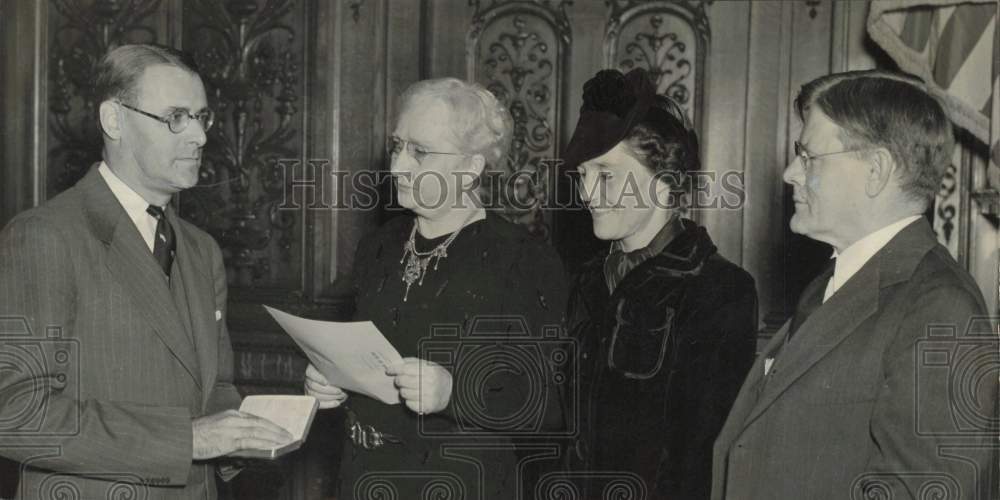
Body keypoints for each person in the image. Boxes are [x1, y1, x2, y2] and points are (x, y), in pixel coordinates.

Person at [0, 44, 293, 500]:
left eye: (202, 117)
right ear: (114, 120)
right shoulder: (45, 236)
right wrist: (188, 440)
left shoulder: (201, 250)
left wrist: (249, 435)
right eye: (176, 117)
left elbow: (212, 388)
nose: (198, 136)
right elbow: (18, 415)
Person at [712, 70, 999, 499]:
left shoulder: (941, 305)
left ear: (875, 170)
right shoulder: (832, 283)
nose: (790, 172)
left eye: (807, 156)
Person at [305, 78, 568, 499]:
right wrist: (330, 379)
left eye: (420, 152)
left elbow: (549, 405)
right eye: (397, 146)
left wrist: (454, 391)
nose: (397, 167)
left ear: (470, 167)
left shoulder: (522, 259)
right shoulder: (380, 245)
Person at [560, 68, 757, 499]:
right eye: (582, 175)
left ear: (665, 180)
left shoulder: (718, 289)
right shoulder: (587, 281)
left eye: (606, 175)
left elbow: (699, 459)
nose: (587, 193)